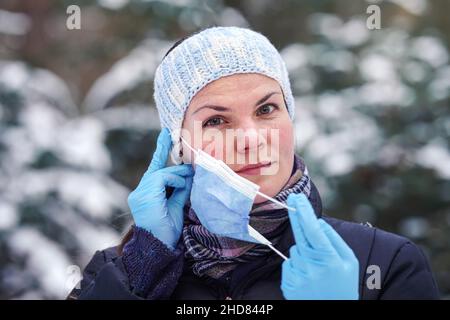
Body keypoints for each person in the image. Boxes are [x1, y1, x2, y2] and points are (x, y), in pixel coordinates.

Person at [68, 26, 439, 300]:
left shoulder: (384, 264)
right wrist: (143, 268)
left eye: (266, 109)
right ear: (179, 146)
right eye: (216, 120)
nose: (250, 139)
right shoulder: (114, 273)